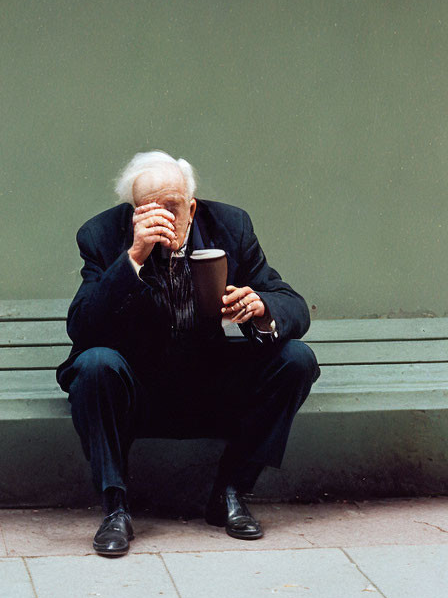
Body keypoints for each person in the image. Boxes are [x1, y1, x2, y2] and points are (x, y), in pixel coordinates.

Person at [57, 150, 320, 556]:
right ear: (133, 212)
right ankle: (115, 508)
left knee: (297, 360)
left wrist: (261, 307)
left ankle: (230, 492)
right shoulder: (102, 235)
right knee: (94, 365)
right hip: (137, 389)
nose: (162, 217)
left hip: (208, 383)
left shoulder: (231, 227)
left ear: (192, 207)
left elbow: (293, 304)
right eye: (148, 210)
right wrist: (133, 257)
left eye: (172, 207)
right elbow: (83, 327)